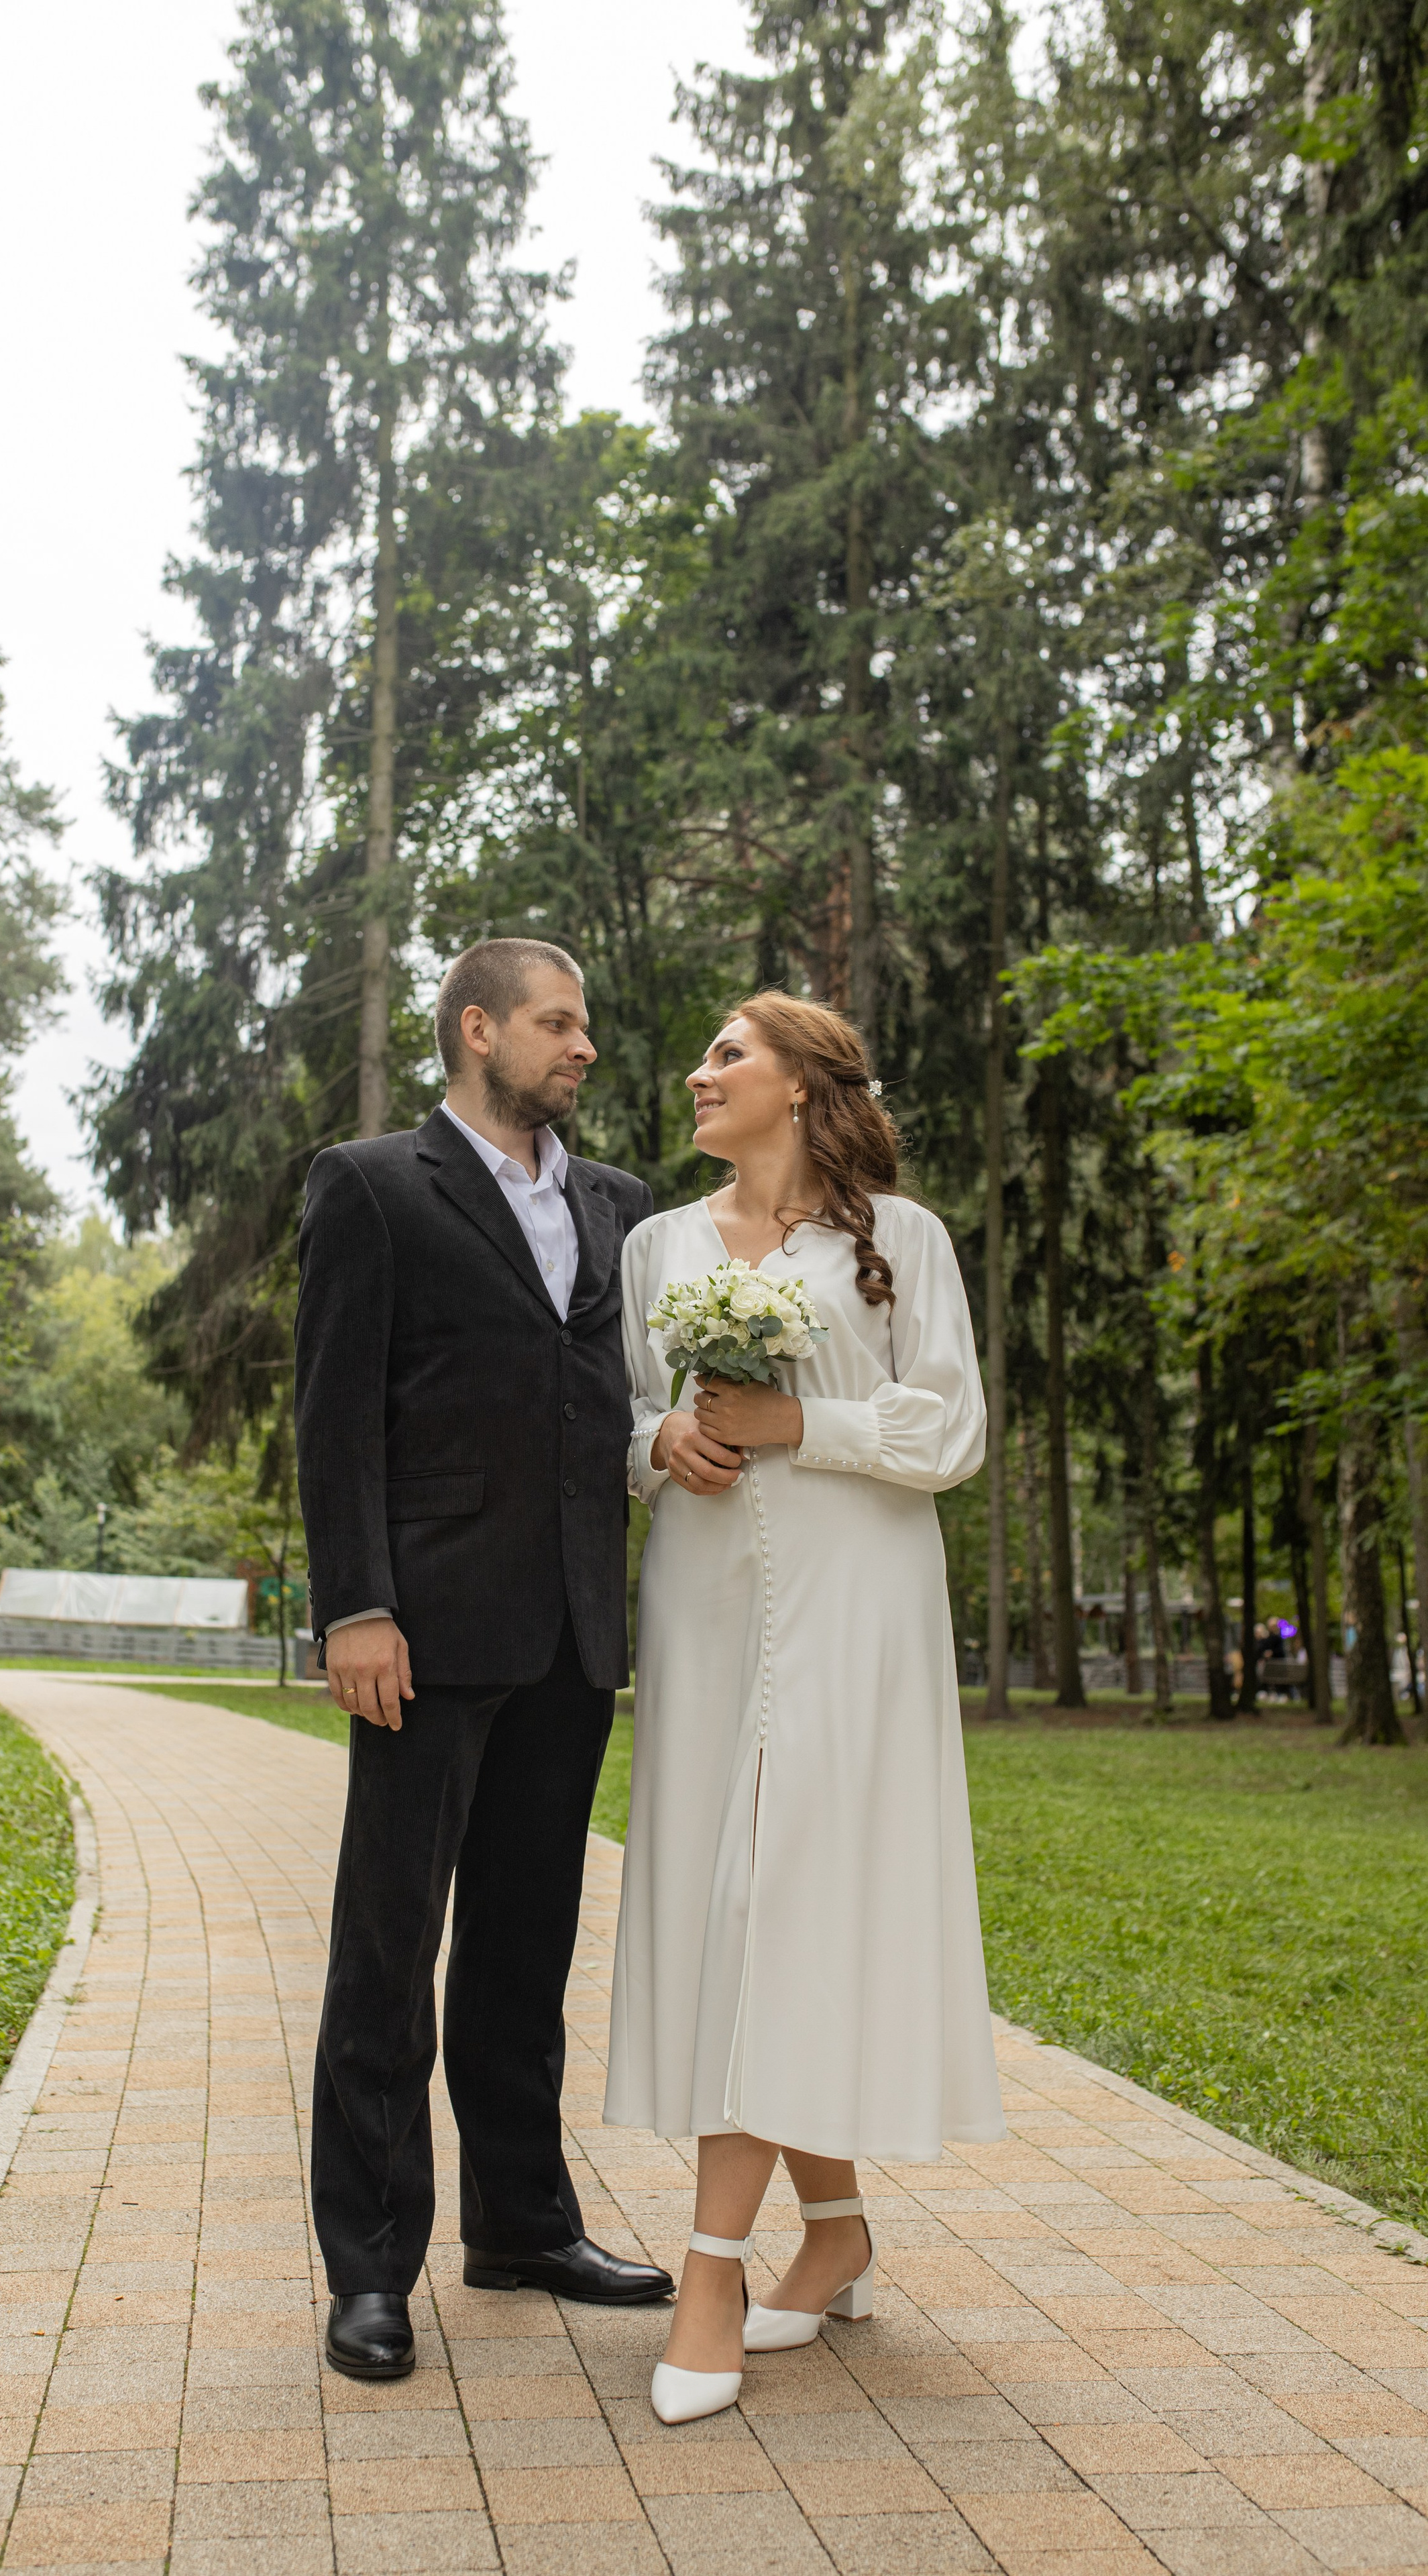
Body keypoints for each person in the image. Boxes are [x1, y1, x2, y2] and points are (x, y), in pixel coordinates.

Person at [606, 992, 1005, 2424]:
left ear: (801, 1083)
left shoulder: (903, 1241)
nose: (697, 1072)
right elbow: (621, 1411)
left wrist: (801, 1425)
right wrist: (657, 1439)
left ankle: (708, 2274)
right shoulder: (656, 1243)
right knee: (739, 1911)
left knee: (774, 1906)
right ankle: (831, 2231)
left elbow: (948, 1429)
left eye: (726, 1053)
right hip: (704, 1607)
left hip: (857, 1604)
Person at [294, 937, 672, 2383]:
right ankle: (369, 2270)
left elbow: (601, 1408)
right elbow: (335, 1418)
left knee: (522, 1951)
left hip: (571, 1637)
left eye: (584, 1026)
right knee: (387, 1955)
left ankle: (521, 2221)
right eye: (557, 1024)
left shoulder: (616, 1205)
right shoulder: (375, 1186)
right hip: (424, 1636)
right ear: (477, 1030)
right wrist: (355, 1607)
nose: (581, 1049)